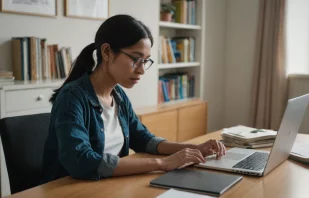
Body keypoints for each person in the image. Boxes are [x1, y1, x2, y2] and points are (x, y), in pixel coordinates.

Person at [41, 14, 226, 184]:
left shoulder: (118, 95)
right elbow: (81, 160)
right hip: (70, 190)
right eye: (135, 59)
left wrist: (194, 148)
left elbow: (143, 139)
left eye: (145, 61)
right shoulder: (72, 97)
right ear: (106, 52)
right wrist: (163, 163)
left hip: (109, 185)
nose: (142, 69)